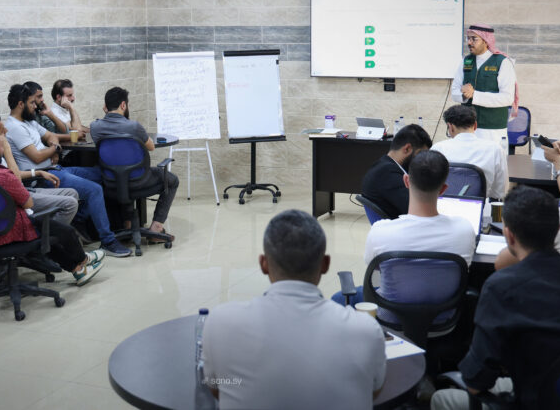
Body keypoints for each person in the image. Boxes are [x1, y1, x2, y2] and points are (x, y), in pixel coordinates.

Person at [430, 186, 560, 410]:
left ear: (509, 235)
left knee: (440, 399)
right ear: (557, 229)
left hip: (538, 399)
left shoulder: (501, 288)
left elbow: (475, 382)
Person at [201, 209, 386, 410]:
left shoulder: (221, 324)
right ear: (325, 264)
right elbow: (374, 391)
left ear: (263, 264)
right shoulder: (366, 330)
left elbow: (215, 389)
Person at [2, 84, 132, 257]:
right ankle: (107, 241)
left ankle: (79, 219)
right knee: (94, 190)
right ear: (20, 104)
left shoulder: (29, 122)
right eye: (32, 102)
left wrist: (53, 147)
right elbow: (37, 157)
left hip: (56, 168)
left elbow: (51, 136)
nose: (35, 106)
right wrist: (54, 149)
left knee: (104, 174)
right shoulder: (15, 127)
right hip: (43, 177)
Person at [0, 129, 104, 285]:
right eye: (2, 146)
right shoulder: (3, 176)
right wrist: (8, 151)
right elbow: (28, 203)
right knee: (63, 231)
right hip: (11, 232)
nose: (3, 149)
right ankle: (83, 259)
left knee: (50, 229)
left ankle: (78, 269)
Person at [335, 151, 476, 306]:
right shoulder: (464, 230)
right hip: (446, 317)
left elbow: (374, 267)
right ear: (443, 189)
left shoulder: (381, 232)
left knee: (338, 298)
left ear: (406, 181)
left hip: (390, 316)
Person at [0, 112, 81, 229]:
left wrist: (37, 172)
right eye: (1, 131)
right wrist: (6, 148)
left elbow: (10, 175)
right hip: (14, 200)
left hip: (21, 190)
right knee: (70, 203)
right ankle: (47, 234)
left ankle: (54, 231)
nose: (6, 131)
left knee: (72, 193)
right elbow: (14, 181)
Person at [90, 87, 178, 238]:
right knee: (172, 180)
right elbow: (151, 147)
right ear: (123, 105)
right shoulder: (134, 127)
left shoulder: (95, 127)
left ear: (105, 107)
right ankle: (156, 228)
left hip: (111, 182)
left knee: (122, 169)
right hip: (139, 182)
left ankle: (128, 225)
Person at [450, 24, 518, 145]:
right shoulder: (466, 60)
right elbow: (454, 91)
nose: (469, 42)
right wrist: (464, 95)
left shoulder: (502, 62)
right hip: (466, 128)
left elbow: (507, 98)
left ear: (486, 41)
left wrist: (474, 95)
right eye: (468, 38)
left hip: (492, 129)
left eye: (474, 39)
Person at [431, 105, 508, 201]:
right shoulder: (495, 149)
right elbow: (500, 192)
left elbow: (430, 185)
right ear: (475, 125)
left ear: (450, 127)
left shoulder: (438, 148)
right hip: (480, 206)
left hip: (443, 205)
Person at [361, 124, 432, 219]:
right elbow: (418, 210)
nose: (422, 160)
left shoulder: (383, 166)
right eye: (420, 154)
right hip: (403, 226)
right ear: (407, 149)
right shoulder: (388, 175)